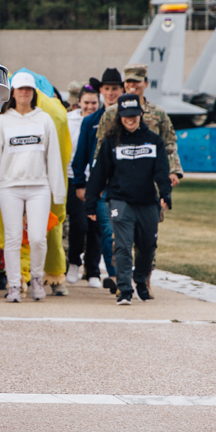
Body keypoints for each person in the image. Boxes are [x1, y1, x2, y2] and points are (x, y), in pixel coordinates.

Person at [0, 72, 66, 302]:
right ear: (13, 93)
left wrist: (58, 192)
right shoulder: (1, 122)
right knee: (12, 238)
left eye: (28, 89)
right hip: (9, 187)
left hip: (39, 187)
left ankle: (36, 279)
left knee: (38, 238)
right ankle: (14, 285)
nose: (24, 93)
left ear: (33, 93)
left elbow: (54, 158)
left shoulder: (45, 120)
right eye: (20, 89)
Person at [85, 94, 172, 304]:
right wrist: (90, 203)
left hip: (147, 202)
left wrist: (165, 194)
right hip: (119, 200)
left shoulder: (154, 141)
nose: (130, 119)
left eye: (134, 115)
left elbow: (162, 170)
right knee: (123, 246)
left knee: (147, 246)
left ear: (140, 114)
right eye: (126, 115)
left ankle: (140, 279)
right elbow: (99, 174)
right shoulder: (111, 142)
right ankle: (124, 289)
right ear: (120, 116)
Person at [71, 67, 124, 291]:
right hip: (99, 185)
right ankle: (114, 275)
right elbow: (80, 156)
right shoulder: (91, 121)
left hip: (124, 184)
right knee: (105, 230)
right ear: (101, 90)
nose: (111, 93)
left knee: (121, 232)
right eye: (107, 88)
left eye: (115, 88)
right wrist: (80, 184)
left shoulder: (129, 118)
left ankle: (118, 273)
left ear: (122, 90)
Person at [66, 84, 101, 284]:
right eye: (86, 102)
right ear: (78, 102)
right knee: (79, 223)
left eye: (93, 103)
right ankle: (74, 262)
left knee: (96, 226)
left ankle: (93, 270)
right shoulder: (69, 120)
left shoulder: (102, 119)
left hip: (96, 179)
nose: (90, 106)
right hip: (74, 177)